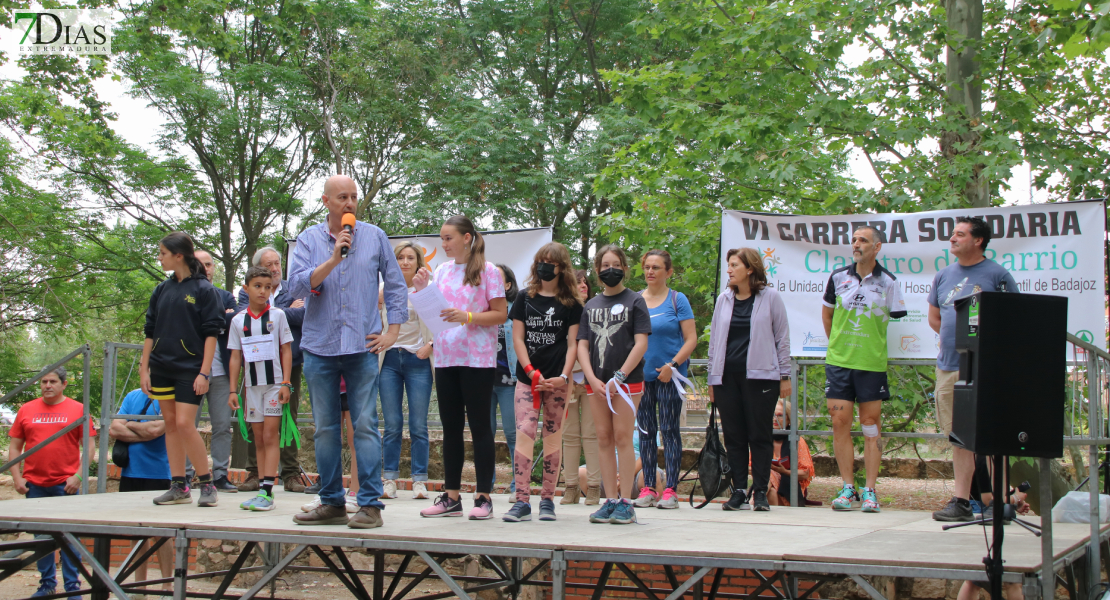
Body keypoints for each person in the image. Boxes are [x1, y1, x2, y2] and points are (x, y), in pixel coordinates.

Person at [288, 175, 409, 529]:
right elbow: (297, 284)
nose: (350, 203)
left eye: (354, 197)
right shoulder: (309, 240)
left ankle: (370, 505)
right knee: (325, 428)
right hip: (320, 347)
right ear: (326, 202)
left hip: (361, 346)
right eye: (342, 197)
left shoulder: (375, 236)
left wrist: (393, 332)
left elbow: (396, 284)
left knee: (365, 425)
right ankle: (332, 502)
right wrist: (333, 258)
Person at [417, 214, 507, 519]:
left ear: (466, 238)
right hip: (444, 357)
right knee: (450, 428)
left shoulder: (489, 271)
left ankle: (483, 497)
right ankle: (451, 496)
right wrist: (420, 291)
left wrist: (467, 317)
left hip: (477, 359)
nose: (443, 244)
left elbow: (500, 315)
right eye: (441, 239)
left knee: (481, 427)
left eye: (448, 238)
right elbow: (435, 313)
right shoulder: (440, 271)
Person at [930, 216, 1019, 522]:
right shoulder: (943, 275)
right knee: (959, 437)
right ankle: (961, 501)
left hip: (986, 367)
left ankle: (1000, 500)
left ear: (978, 240)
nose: (952, 239)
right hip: (950, 366)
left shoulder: (998, 274)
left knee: (991, 434)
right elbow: (935, 318)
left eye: (960, 234)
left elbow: (1012, 318)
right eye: (952, 234)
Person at [821, 226, 906, 513]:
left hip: (870, 364)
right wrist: (838, 345)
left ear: (877, 247)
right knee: (839, 423)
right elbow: (828, 313)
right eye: (854, 240)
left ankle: (870, 490)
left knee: (871, 428)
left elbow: (894, 318)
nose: (856, 244)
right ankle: (848, 488)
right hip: (839, 362)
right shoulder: (837, 277)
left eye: (863, 241)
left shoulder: (889, 282)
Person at [142, 231, 225, 507]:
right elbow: (149, 331)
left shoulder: (204, 290)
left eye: (162, 253)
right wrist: (145, 369)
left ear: (179, 255)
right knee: (170, 425)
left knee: (183, 423)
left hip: (190, 368)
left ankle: (207, 483)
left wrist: (204, 373)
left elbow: (211, 334)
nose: (159, 258)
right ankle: (179, 486)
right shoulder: (161, 289)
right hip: (161, 367)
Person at [502, 242, 583, 522]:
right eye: (541, 261)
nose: (544, 266)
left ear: (562, 268)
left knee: (552, 436)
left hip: (558, 382)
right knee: (524, 432)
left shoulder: (571, 304)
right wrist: (530, 370)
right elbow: (517, 338)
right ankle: (522, 500)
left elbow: (573, 343)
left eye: (550, 262)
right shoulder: (525, 297)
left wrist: (562, 376)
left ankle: (547, 499)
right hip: (528, 380)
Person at [707, 248, 792, 511]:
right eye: (729, 265)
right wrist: (712, 379)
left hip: (762, 377)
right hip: (727, 379)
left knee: (760, 434)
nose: (729, 270)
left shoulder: (771, 298)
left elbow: (782, 338)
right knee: (734, 435)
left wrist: (785, 375)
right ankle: (740, 490)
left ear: (750, 269)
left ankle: (762, 492)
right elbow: (714, 341)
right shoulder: (724, 299)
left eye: (734, 265)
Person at [577, 245, 651, 525]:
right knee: (603, 439)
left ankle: (626, 503)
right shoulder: (591, 305)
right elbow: (582, 345)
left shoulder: (636, 301)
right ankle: (610, 500)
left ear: (624, 268)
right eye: (605, 265)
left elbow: (641, 342)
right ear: (597, 271)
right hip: (595, 385)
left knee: (622, 437)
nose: (611, 269)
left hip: (627, 383)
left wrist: (618, 377)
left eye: (616, 264)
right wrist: (593, 378)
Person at [8, 367, 96, 599]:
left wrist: (78, 476)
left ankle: (72, 588)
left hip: (65, 485)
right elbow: (15, 446)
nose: (47, 385)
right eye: (44, 381)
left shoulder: (78, 409)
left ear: (64, 384)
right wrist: (16, 476)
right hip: (35, 485)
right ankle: (46, 584)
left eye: (53, 381)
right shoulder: (27, 410)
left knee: (69, 537)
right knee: (41, 539)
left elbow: (89, 446)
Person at [236, 247, 308, 493]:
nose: (275, 269)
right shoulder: (245, 292)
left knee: (288, 418)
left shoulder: (294, 288)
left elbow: (304, 314)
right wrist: (284, 312)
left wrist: (276, 313)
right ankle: (255, 474)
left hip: (289, 366)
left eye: (277, 263)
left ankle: (290, 474)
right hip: (253, 368)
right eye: (269, 265)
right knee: (253, 420)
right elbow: (240, 315)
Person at [227, 266, 294, 511]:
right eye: (257, 286)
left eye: (267, 287)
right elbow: (235, 357)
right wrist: (233, 390)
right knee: (258, 438)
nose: (263, 291)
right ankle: (262, 489)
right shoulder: (238, 320)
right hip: (251, 386)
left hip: (275, 384)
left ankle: (267, 490)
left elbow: (286, 349)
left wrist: (286, 382)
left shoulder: (277, 316)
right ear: (246, 288)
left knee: (270, 435)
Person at [634, 250, 696, 510]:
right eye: (647, 267)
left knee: (669, 431)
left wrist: (672, 365)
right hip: (641, 379)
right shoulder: (635, 300)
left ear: (668, 272)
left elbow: (691, 339)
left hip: (670, 377)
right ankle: (648, 487)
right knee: (646, 433)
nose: (650, 272)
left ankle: (670, 489)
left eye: (656, 267)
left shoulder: (677, 300)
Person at [378, 241, 434, 500]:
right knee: (391, 424)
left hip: (418, 360)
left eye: (411, 257)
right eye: (400, 257)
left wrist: (430, 346)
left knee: (419, 425)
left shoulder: (427, 289)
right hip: (389, 360)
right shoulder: (383, 289)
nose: (405, 262)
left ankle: (419, 481)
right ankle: (389, 479)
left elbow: (441, 321)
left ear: (419, 262)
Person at [109, 388, 174, 592]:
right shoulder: (131, 396)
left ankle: (167, 586)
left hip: (158, 474)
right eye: (143, 367)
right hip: (130, 473)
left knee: (161, 534)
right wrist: (143, 431)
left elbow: (157, 431)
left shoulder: (169, 396)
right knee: (137, 534)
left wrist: (129, 424)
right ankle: (139, 587)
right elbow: (114, 429)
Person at [189, 249, 240, 494]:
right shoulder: (184, 295)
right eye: (201, 264)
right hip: (191, 372)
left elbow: (236, 319)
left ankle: (220, 475)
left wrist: (216, 318)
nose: (206, 268)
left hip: (221, 373)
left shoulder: (225, 296)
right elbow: (190, 326)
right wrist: (222, 317)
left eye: (209, 264)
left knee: (222, 426)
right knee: (189, 426)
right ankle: (187, 476)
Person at [562, 270, 601, 505]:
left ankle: (594, 487)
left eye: (586, 281)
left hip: (590, 378)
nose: (583, 285)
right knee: (568, 435)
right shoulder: (563, 309)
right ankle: (570, 487)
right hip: (566, 380)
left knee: (591, 433)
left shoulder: (596, 309)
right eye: (578, 282)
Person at [490, 264, 519, 494]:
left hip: (510, 380)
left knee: (512, 433)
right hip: (481, 380)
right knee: (484, 432)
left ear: (508, 285)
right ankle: (485, 483)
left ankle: (518, 483)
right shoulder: (480, 308)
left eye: (498, 277)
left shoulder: (517, 309)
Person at [767, 399, 814, 507]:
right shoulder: (763, 440)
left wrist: (784, 472)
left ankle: (751, 501)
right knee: (771, 490)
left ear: (789, 419)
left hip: (789, 492)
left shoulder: (797, 441)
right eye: (772, 415)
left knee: (769, 473)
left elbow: (805, 473)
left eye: (780, 415)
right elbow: (750, 466)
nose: (775, 419)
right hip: (770, 490)